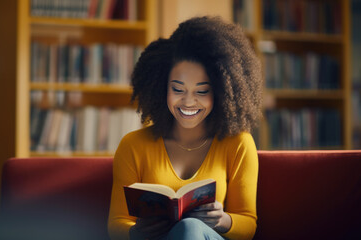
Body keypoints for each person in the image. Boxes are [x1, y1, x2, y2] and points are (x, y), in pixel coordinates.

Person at [108, 16, 262, 240]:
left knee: (190, 229)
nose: (189, 102)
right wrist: (135, 232)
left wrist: (223, 220)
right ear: (162, 88)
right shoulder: (133, 145)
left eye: (201, 91)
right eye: (178, 90)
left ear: (221, 93)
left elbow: (248, 223)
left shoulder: (238, 143)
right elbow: (116, 225)